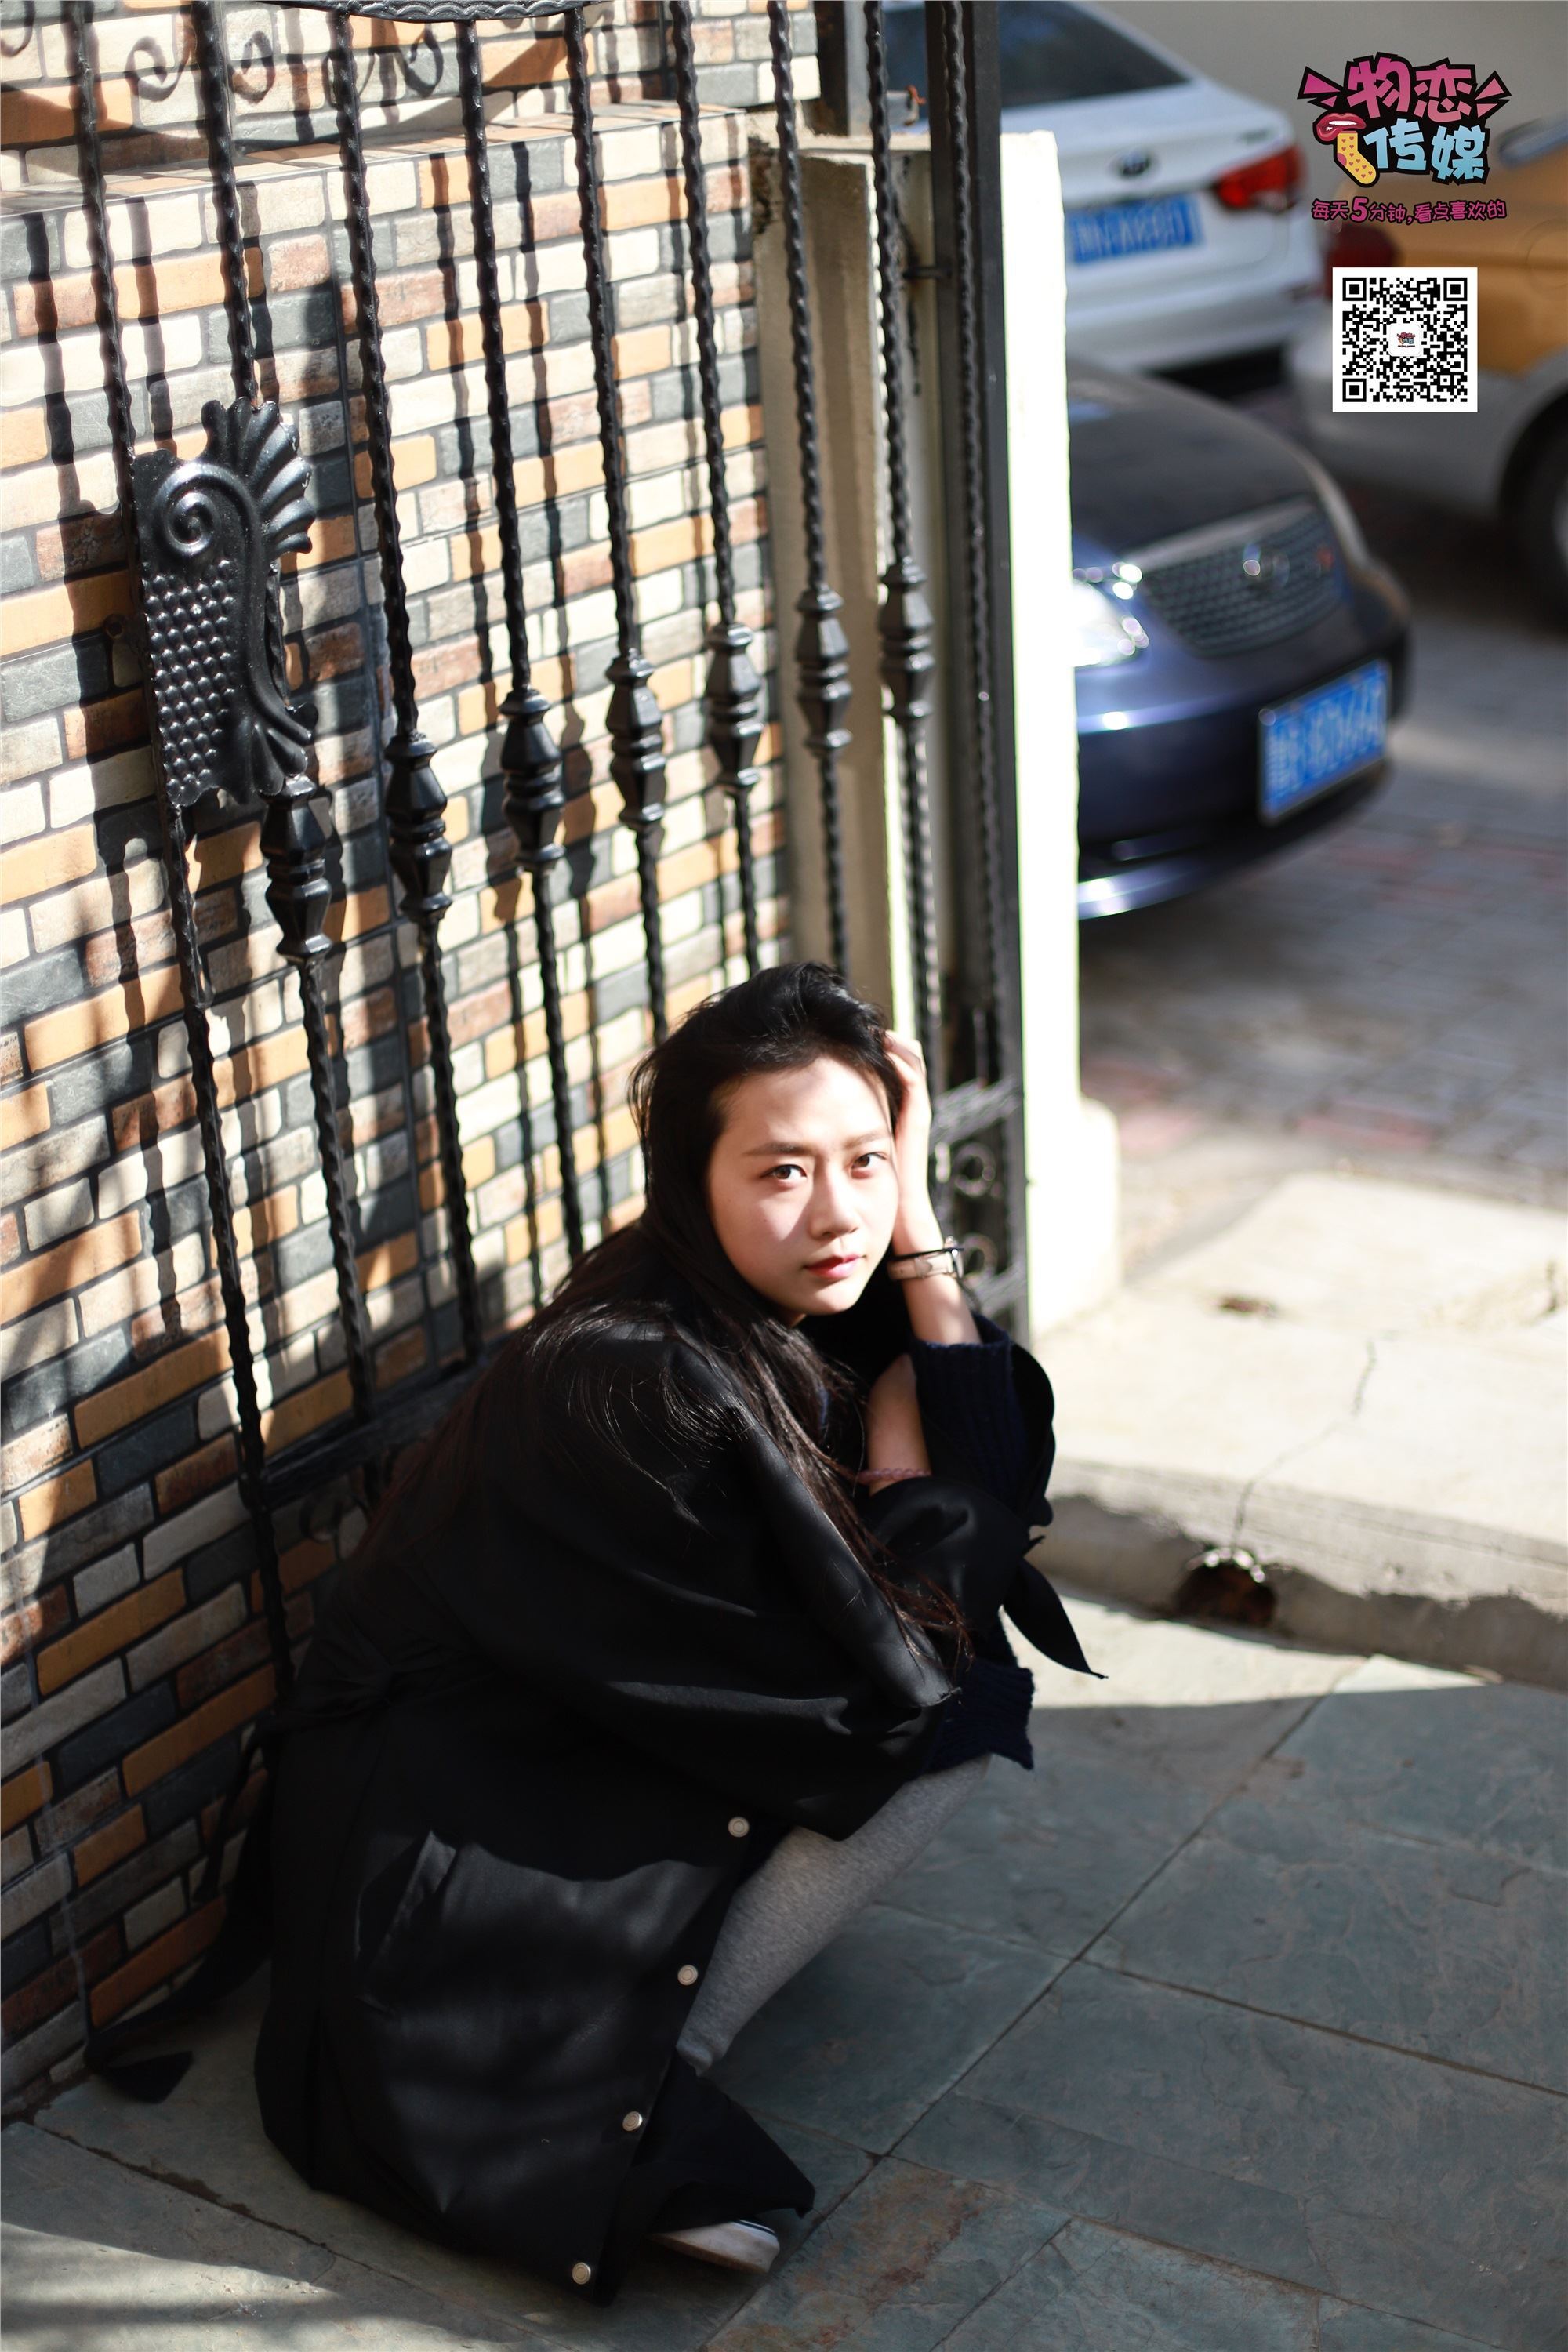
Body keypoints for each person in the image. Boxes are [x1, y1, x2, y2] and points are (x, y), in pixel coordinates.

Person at [252, 960, 1101, 2307]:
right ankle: (640, 2071)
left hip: (575, 1733)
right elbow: (883, 1676)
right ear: (691, 1179)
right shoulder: (638, 1373)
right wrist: (903, 1457)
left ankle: (666, 2023)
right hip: (447, 1831)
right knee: (940, 1723)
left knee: (944, 1687)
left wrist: (923, 1225)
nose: (839, 1214)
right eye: (780, 1172)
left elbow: (999, 1476)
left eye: (867, 1160)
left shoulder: (791, 1295)